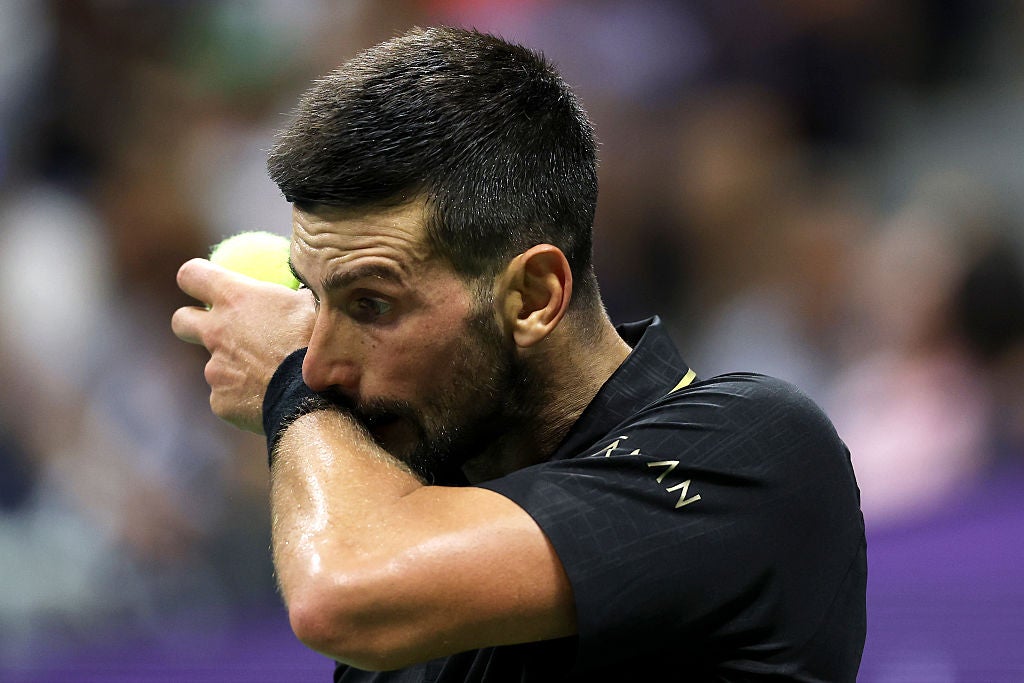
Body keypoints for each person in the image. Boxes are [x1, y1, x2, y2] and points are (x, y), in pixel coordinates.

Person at [172, 26, 866, 682]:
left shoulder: (755, 447)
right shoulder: (406, 506)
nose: (324, 362)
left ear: (534, 295)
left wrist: (289, 388)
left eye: (372, 304)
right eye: (313, 299)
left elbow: (341, 591)